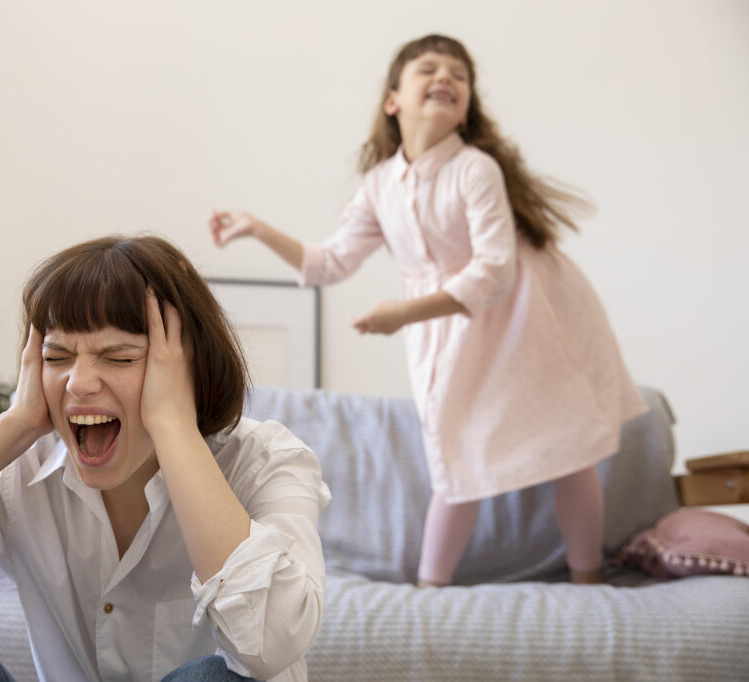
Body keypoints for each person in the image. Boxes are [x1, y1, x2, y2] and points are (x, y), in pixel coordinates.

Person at [209, 33, 646, 587]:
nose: (446, 78)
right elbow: (329, 262)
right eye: (429, 69)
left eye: (459, 76)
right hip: (449, 326)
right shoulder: (378, 186)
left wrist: (404, 313)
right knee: (454, 448)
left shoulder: (475, 169)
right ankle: (429, 587)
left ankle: (587, 578)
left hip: (529, 318)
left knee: (565, 442)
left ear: (466, 107)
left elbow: (495, 271)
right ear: (393, 100)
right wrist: (257, 228)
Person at [0, 235, 330, 681]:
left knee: (219, 677)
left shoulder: (266, 461)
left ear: (186, 368)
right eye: (57, 356)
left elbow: (271, 645)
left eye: (118, 356)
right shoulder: (22, 474)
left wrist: (172, 424)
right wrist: (17, 424)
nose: (78, 381)